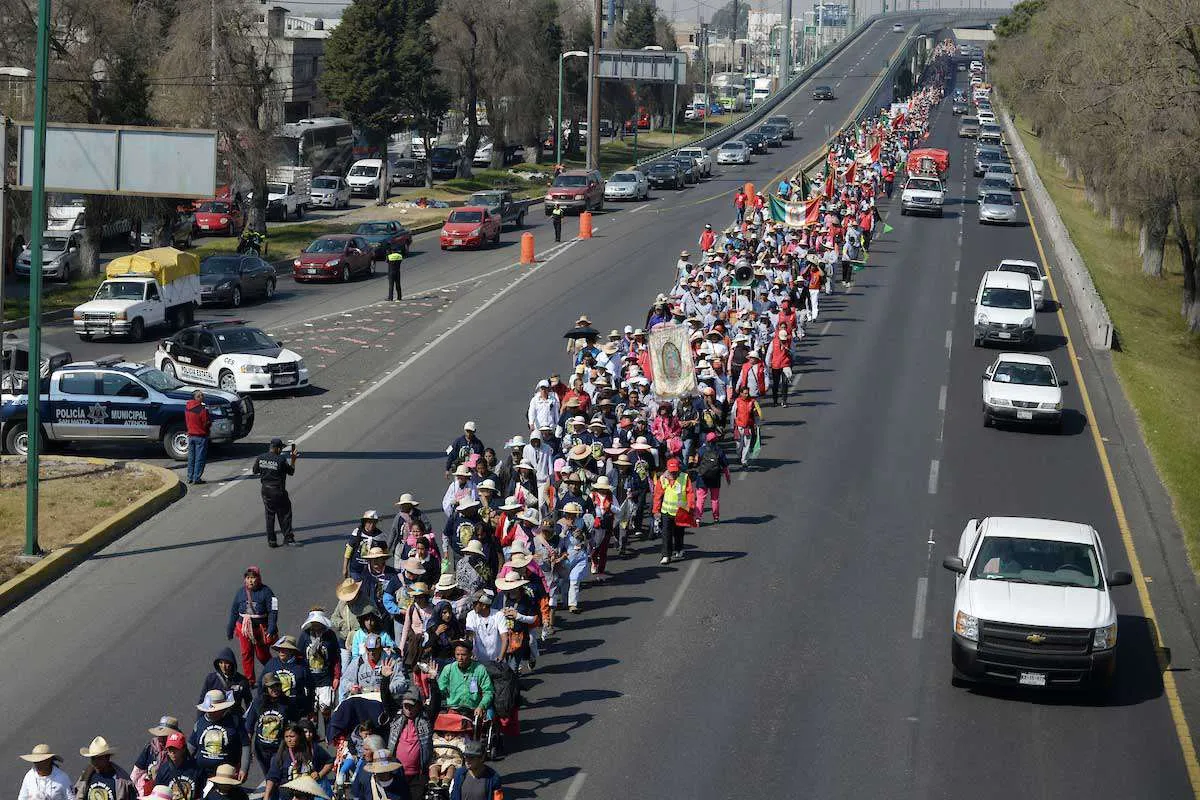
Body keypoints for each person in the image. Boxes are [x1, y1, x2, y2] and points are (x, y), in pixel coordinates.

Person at [379, 677, 433, 800]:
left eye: (411, 706)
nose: (408, 709)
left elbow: (435, 704)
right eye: (405, 706)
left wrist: (432, 681)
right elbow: (386, 698)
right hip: (396, 773)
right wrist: (385, 678)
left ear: (419, 705)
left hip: (417, 776)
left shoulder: (426, 720)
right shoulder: (396, 717)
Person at [226, 565, 278, 681]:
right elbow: (234, 610)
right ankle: (249, 680)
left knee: (262, 655)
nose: (250, 580)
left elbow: (273, 610)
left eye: (253, 577)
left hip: (260, 628)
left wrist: (271, 628)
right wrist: (230, 628)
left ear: (258, 578)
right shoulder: (240, 592)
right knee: (246, 654)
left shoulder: (267, 592)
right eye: (248, 577)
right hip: (243, 628)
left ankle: (275, 671)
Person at [245, 672, 301, 774]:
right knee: (268, 776)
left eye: (277, 685)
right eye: (271, 687)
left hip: (279, 748)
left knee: (274, 774)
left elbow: (296, 725)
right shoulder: (258, 702)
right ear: (265, 688)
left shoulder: (287, 703)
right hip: (261, 748)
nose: (275, 689)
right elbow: (249, 726)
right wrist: (247, 750)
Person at [191, 691, 249, 782]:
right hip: (202, 772)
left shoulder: (235, 721)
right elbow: (191, 746)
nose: (209, 713)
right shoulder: (200, 722)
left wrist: (244, 768)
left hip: (226, 774)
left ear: (222, 709)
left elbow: (245, 745)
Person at [253, 438, 298, 547]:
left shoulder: (261, 457)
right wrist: (293, 459)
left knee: (269, 515)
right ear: (277, 449)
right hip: (278, 491)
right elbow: (291, 472)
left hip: (265, 490)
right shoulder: (281, 460)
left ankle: (272, 541)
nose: (281, 451)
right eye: (280, 449)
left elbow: (255, 471)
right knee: (285, 514)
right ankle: (288, 538)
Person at [436, 640, 493, 724]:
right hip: (454, 710)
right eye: (457, 655)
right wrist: (433, 680)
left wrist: (481, 706)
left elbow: (488, 692)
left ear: (470, 654)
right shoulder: (449, 669)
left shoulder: (480, 669)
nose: (460, 658)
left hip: (473, 710)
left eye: (463, 655)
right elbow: (440, 690)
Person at [652, 457, 696, 564]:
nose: (673, 473)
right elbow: (657, 496)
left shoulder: (684, 478)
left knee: (679, 532)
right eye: (671, 471)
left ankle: (679, 548)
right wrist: (656, 511)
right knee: (666, 534)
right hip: (666, 512)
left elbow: (690, 493)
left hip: (680, 511)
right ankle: (666, 555)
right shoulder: (662, 479)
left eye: (675, 471)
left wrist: (690, 506)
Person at [130, 715, 180, 795]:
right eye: (160, 735)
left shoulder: (178, 752)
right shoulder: (150, 748)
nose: (160, 739)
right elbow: (137, 771)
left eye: (164, 736)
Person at [197, 648, 254, 718]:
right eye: (221, 663)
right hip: (216, 717)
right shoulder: (211, 679)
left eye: (226, 663)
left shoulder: (242, 681)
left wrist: (248, 720)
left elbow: (249, 703)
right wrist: (199, 721)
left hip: (235, 717)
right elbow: (203, 701)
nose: (223, 666)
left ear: (232, 663)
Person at [149, 733, 202, 800]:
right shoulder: (163, 770)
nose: (172, 752)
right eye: (170, 749)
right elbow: (159, 795)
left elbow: (202, 792)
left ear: (183, 749)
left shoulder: (196, 768)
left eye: (175, 748)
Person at [693, 432, 731, 525]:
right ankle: (716, 518)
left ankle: (698, 518)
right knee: (715, 499)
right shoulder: (719, 451)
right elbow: (725, 466)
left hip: (702, 478)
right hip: (715, 478)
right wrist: (727, 478)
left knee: (700, 499)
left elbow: (696, 463)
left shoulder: (701, 450)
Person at [733, 385, 763, 467]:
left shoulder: (752, 402)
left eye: (747, 393)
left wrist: (757, 424)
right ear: (741, 393)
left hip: (748, 427)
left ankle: (744, 460)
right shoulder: (737, 401)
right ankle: (739, 456)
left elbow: (756, 415)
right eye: (745, 393)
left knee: (747, 444)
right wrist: (733, 425)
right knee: (739, 445)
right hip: (739, 426)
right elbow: (733, 413)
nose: (746, 395)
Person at [185, 389, 211, 485]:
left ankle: (189, 477)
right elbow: (205, 423)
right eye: (199, 396)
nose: (201, 397)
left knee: (191, 458)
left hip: (191, 435)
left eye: (202, 395)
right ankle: (196, 478)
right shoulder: (202, 410)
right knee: (199, 458)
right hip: (200, 435)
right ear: (195, 398)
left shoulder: (187, 408)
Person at [766, 328, 793, 407]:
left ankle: (784, 400)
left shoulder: (789, 342)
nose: (783, 341)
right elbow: (769, 353)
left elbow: (794, 353)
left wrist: (789, 351)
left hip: (785, 364)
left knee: (785, 383)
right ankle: (775, 400)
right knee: (776, 384)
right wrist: (768, 365)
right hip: (776, 365)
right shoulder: (773, 343)